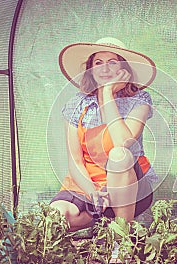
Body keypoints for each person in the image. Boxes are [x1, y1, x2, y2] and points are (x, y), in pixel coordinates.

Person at [50, 37, 158, 232]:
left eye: (112, 62)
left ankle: (121, 236)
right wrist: (93, 193)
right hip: (89, 185)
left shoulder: (139, 100)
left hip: (129, 187)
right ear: (90, 68)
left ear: (124, 68)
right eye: (98, 63)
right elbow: (75, 161)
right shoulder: (77, 104)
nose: (104, 69)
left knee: (119, 155)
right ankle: (101, 220)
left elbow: (123, 143)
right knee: (56, 215)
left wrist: (107, 93)